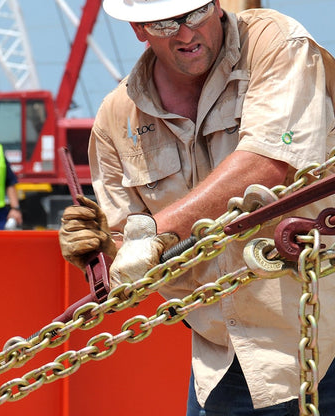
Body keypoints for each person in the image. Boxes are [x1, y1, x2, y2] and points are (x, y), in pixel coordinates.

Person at [59, 1, 335, 414]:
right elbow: (133, 261)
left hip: (324, 338)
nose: (186, 34)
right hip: (224, 365)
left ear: (217, 5)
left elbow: (267, 163)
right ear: (138, 27)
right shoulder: (118, 119)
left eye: (195, 14)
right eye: (167, 22)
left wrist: (154, 233)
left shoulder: (274, 43)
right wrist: (103, 253)